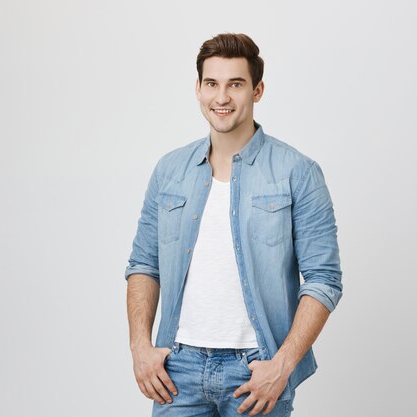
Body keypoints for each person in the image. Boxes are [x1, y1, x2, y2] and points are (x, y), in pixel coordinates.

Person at [125, 33, 343, 417]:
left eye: (235, 84)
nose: (221, 98)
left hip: (256, 371)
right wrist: (140, 348)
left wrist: (282, 365)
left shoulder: (298, 172)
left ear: (257, 91)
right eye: (212, 83)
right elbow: (144, 264)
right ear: (198, 88)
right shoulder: (169, 171)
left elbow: (324, 280)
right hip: (177, 370)